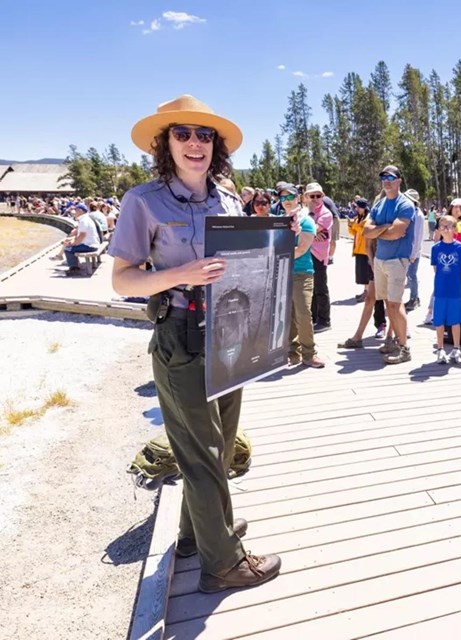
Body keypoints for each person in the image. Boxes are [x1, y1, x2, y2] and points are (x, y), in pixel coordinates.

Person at [109, 94, 281, 593]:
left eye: (204, 136)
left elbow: (246, 265)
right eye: (182, 134)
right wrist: (179, 274)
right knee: (201, 451)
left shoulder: (228, 199)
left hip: (229, 334)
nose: (194, 143)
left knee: (222, 446)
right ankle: (223, 563)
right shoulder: (143, 201)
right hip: (180, 336)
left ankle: (197, 535)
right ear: (165, 143)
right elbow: (122, 281)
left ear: (215, 147)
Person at [364, 165, 415, 364]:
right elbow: (366, 231)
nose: (386, 180)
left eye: (391, 177)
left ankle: (404, 348)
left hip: (397, 261)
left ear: (399, 181)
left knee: (395, 304)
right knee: (388, 303)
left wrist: (379, 230)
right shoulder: (379, 204)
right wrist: (386, 227)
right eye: (383, 177)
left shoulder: (406, 204)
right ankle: (393, 342)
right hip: (380, 260)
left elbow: (397, 233)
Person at [277, 183, 325, 368]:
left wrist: (278, 253)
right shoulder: (280, 220)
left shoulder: (306, 221)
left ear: (298, 197)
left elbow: (301, 249)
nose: (287, 201)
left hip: (302, 273)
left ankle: (309, 353)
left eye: (290, 197)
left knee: (304, 313)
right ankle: (292, 352)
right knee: (287, 314)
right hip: (282, 272)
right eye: (282, 198)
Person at [347, 198, 386, 335]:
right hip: (368, 256)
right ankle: (365, 332)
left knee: (390, 300)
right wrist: (351, 225)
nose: (355, 209)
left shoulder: (371, 218)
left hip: (385, 261)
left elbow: (365, 230)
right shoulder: (364, 217)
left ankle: (397, 329)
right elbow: (361, 233)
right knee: (372, 297)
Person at [432, 215, 461, 364]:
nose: (445, 229)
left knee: (455, 320)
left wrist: (457, 282)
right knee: (439, 320)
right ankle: (440, 349)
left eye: (449, 226)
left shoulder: (460, 248)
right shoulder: (435, 248)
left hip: (454, 290)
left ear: (455, 229)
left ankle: (456, 348)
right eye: (442, 226)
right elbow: (435, 268)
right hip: (440, 290)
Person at [304, 182, 333, 332]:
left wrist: (309, 232)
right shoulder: (303, 212)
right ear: (306, 196)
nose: (316, 199)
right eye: (312, 196)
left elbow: (310, 230)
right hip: (306, 253)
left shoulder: (326, 214)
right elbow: (300, 231)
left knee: (320, 288)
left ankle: (324, 320)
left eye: (318, 196)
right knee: (311, 288)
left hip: (318, 255)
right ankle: (314, 318)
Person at [63, 203, 101, 276]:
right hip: (92, 244)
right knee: (70, 247)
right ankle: (76, 265)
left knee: (68, 249)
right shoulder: (85, 219)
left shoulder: (84, 221)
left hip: (90, 245)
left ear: (81, 211)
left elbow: (82, 236)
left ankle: (74, 269)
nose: (74, 212)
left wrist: (72, 244)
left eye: (76, 210)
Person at [404, 189, 425, 311]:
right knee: (408, 275)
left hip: (413, 252)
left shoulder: (418, 215)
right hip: (406, 250)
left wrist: (413, 254)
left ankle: (414, 298)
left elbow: (417, 236)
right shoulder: (409, 213)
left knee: (412, 275)